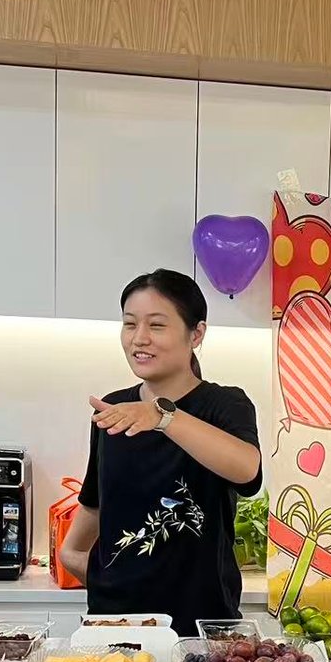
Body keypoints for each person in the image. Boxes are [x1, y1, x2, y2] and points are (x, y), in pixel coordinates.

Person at [59, 269, 262, 629]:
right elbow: (95, 504)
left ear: (196, 334)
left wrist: (162, 416)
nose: (139, 338)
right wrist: (73, 557)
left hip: (202, 625)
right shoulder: (113, 408)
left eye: (156, 325)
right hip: (118, 623)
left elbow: (247, 471)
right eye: (129, 324)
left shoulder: (225, 404)